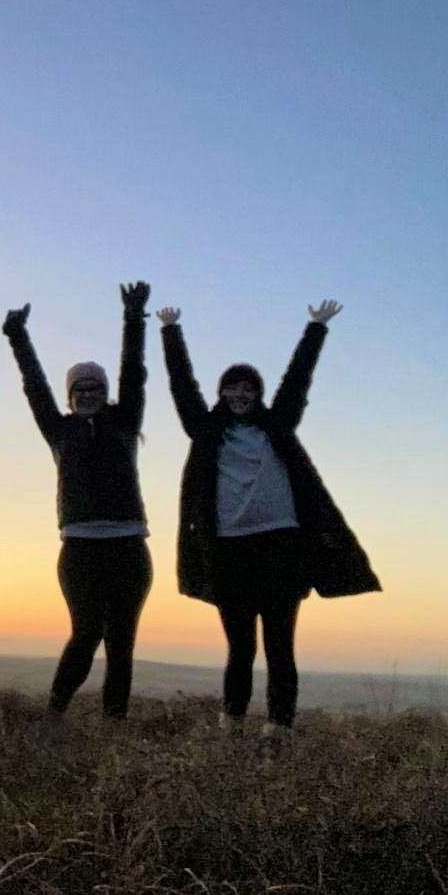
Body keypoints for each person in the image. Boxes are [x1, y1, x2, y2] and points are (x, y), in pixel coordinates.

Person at [156, 299, 381, 739]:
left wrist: (315, 327)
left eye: (248, 389)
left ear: (257, 395)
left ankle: (278, 732)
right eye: (232, 388)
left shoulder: (278, 425)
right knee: (240, 648)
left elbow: (297, 380)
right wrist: (170, 332)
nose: (240, 395)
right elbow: (182, 385)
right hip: (227, 551)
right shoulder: (204, 432)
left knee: (281, 647)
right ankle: (233, 729)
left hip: (282, 549)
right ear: (221, 394)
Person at [2, 282, 152, 720]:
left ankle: (114, 728)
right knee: (85, 634)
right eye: (79, 389)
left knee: (122, 641)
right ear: (70, 396)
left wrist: (133, 317)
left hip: (129, 546)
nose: (87, 393)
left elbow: (133, 372)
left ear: (104, 392)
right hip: (80, 548)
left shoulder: (124, 423)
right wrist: (17, 336)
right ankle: (53, 716)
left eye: (94, 387)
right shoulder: (58, 429)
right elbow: (34, 386)